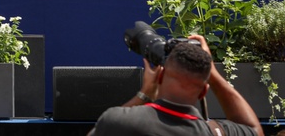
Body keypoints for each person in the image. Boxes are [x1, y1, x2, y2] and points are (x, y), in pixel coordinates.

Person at [90, 34, 263, 136]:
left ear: (161, 75)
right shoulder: (212, 131)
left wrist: (144, 94)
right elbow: (254, 130)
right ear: (204, 91)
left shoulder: (119, 122)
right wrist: (213, 74)